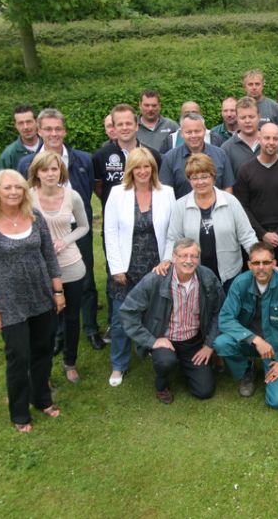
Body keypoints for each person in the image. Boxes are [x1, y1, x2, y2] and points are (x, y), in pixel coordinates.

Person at [0, 170, 65, 432]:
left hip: (41, 297)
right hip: (9, 304)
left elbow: (49, 256)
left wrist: (58, 291)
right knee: (18, 358)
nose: (13, 192)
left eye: (18, 187)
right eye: (7, 188)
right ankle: (20, 413)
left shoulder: (35, 218)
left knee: (43, 351)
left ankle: (42, 399)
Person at [18, 108, 101, 352]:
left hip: (76, 227)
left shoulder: (83, 159)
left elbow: (88, 191)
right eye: (48, 129)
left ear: (64, 131)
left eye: (58, 129)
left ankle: (91, 328)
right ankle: (59, 334)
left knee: (85, 279)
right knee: (51, 283)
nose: (53, 133)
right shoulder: (27, 163)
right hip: (44, 233)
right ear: (39, 131)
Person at [120, 238, 223, 404]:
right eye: (183, 256)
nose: (189, 260)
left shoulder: (207, 277)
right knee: (165, 361)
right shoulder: (155, 279)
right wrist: (152, 341)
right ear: (174, 257)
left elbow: (220, 311)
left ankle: (185, 365)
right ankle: (162, 384)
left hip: (193, 342)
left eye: (193, 256)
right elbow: (127, 312)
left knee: (204, 391)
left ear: (198, 258)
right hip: (166, 340)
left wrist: (209, 345)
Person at [104, 148, 175, 387]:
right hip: (126, 267)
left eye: (147, 166)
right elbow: (110, 232)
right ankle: (119, 364)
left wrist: (167, 260)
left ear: (153, 169)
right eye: (138, 167)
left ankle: (156, 351)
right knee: (120, 316)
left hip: (157, 266)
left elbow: (173, 231)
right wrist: (116, 268)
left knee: (158, 313)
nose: (143, 171)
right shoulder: (117, 193)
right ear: (130, 170)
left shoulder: (166, 192)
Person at [214, 242, 278, 408]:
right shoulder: (240, 283)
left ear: (274, 264)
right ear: (249, 265)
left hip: (275, 348)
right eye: (256, 263)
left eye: (266, 262)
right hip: (248, 342)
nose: (261, 267)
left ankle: (274, 368)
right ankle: (247, 370)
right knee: (222, 343)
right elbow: (225, 318)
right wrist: (255, 340)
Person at [28, 151, 89, 384]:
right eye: (45, 170)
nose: (50, 174)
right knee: (45, 320)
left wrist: (65, 240)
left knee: (72, 318)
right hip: (40, 267)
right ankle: (43, 369)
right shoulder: (27, 197)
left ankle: (70, 362)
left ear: (60, 171)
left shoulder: (72, 196)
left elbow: (83, 226)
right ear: (37, 173)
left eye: (54, 169)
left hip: (70, 265)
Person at [160, 154, 256, 291]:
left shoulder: (231, 202)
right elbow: (173, 239)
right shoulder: (180, 205)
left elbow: (247, 236)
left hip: (230, 275)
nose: (200, 182)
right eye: (194, 178)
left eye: (204, 176)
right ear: (189, 180)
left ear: (213, 176)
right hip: (194, 274)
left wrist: (260, 257)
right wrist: (167, 260)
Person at [233, 123, 278, 283]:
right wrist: (262, 234)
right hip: (256, 235)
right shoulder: (245, 170)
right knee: (257, 279)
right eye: (267, 138)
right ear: (259, 139)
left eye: (275, 138)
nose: (271, 142)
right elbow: (242, 207)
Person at [159, 112, 234, 198]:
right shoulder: (170, 158)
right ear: (181, 133)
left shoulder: (220, 155)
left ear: (205, 131)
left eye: (197, 131)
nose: (193, 135)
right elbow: (165, 192)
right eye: (189, 132)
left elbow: (227, 187)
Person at [221, 96, 262, 173]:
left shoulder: (271, 142)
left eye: (251, 117)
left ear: (259, 117)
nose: (247, 121)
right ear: (237, 119)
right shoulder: (227, 148)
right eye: (243, 117)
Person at [0, 105, 41, 170]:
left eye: (29, 122)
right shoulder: (9, 154)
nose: (25, 127)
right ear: (15, 125)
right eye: (21, 123)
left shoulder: (49, 146)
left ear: (36, 122)